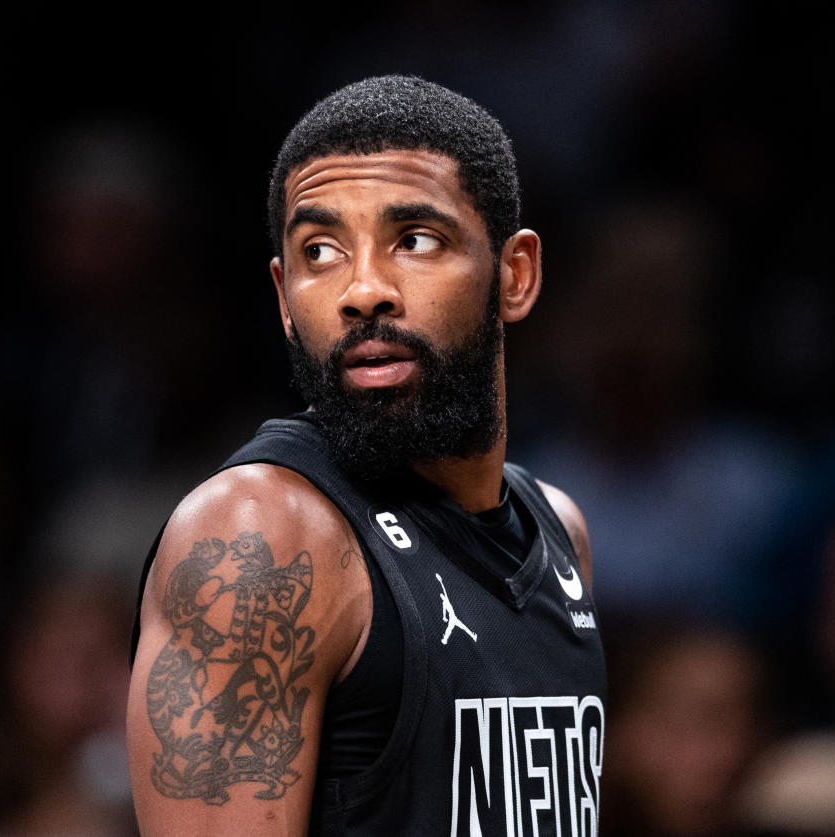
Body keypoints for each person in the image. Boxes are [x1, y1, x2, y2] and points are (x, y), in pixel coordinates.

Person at [127, 74, 606, 836]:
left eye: (416, 240)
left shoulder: (560, 532)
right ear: (285, 299)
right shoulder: (262, 535)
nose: (363, 289)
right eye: (321, 250)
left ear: (515, 274)